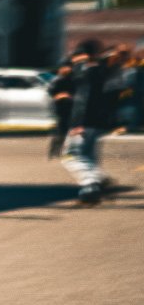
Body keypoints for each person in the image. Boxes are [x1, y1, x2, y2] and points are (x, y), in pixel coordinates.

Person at [61, 39, 113, 204]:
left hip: (85, 122)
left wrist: (78, 123)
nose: (73, 59)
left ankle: (91, 184)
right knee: (88, 155)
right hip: (98, 122)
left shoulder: (87, 73)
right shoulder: (102, 71)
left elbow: (84, 99)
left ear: (84, 55)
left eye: (75, 56)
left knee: (71, 156)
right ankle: (99, 180)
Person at [47, 60, 75, 159]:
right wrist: (60, 96)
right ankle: (54, 151)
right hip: (61, 107)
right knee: (61, 130)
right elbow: (51, 91)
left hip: (70, 106)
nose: (68, 69)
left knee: (65, 130)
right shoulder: (58, 80)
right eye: (66, 67)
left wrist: (71, 96)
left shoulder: (71, 79)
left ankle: (59, 151)